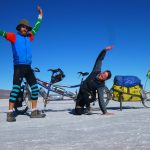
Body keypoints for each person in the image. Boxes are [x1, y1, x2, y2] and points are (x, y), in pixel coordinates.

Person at [0, 6, 46, 122]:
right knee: (15, 89)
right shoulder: (14, 37)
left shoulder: (29, 37)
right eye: (23, 26)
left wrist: (40, 17)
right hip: (18, 67)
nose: (25, 28)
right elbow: (2, 33)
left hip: (28, 67)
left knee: (35, 89)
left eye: (26, 27)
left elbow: (36, 28)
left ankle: (34, 111)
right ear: (19, 28)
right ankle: (10, 113)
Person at [75, 45, 114, 115]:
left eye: (104, 76)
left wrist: (105, 112)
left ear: (105, 79)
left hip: (88, 95)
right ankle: (83, 104)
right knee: (78, 112)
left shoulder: (101, 85)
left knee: (92, 98)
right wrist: (104, 50)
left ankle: (86, 105)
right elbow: (99, 59)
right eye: (103, 73)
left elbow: (101, 98)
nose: (102, 75)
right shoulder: (96, 70)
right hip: (82, 92)